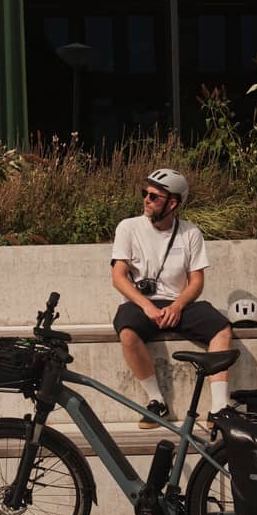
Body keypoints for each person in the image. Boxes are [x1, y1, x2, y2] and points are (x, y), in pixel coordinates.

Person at [110, 168, 233, 427]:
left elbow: (196, 281)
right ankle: (157, 402)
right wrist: (146, 307)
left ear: (173, 203)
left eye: (154, 196)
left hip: (178, 304)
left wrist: (178, 306)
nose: (146, 199)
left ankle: (220, 408)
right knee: (127, 331)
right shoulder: (128, 228)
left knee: (221, 328)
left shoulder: (190, 233)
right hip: (141, 304)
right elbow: (119, 276)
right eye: (145, 193)